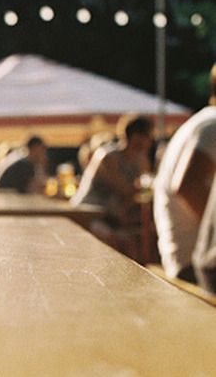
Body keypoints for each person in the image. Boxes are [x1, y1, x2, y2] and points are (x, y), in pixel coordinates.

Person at [155, 62, 216, 282]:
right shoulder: (213, 125)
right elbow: (189, 185)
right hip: (198, 266)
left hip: (186, 260)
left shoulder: (202, 121)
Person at [71, 115, 154, 257]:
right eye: (148, 136)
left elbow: (138, 193)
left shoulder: (141, 159)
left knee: (140, 238)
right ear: (135, 136)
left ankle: (134, 278)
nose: (151, 141)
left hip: (112, 218)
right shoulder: (107, 156)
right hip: (87, 214)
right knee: (110, 239)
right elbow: (126, 191)